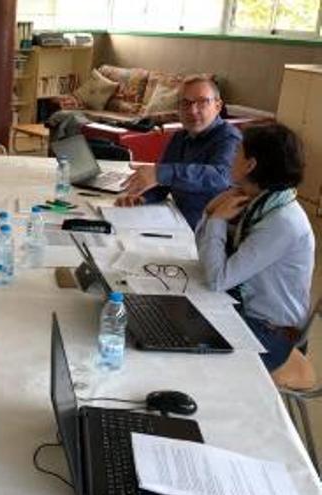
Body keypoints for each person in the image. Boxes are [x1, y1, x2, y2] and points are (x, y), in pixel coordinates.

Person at [196, 123, 314, 375]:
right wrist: (210, 212)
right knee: (180, 316)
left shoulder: (281, 221)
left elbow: (218, 279)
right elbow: (206, 258)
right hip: (245, 310)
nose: (231, 157)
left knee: (190, 353)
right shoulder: (260, 202)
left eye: (237, 151)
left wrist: (216, 221)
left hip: (272, 334)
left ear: (250, 165)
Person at [117, 76, 242, 229]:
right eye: (185, 103)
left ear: (218, 106)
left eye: (202, 102)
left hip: (209, 229)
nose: (192, 110)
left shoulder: (229, 138)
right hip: (176, 219)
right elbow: (163, 183)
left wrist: (160, 173)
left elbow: (221, 176)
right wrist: (142, 197)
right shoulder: (179, 136)